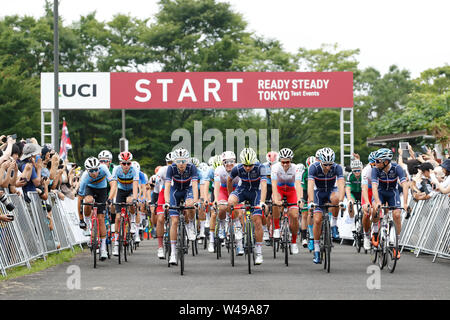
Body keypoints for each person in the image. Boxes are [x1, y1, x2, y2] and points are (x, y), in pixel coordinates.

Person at [227, 148, 267, 265]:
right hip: (242, 190)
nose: (248, 168)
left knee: (257, 221)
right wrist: (231, 194)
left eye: (250, 165)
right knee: (230, 203)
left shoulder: (261, 168)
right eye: (245, 165)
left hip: (256, 192)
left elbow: (264, 185)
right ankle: (237, 225)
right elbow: (230, 180)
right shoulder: (238, 168)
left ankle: (259, 252)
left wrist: (262, 202)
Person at [307, 147, 346, 264]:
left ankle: (334, 225)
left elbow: (340, 184)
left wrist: (341, 201)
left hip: (330, 190)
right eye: (325, 164)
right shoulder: (313, 167)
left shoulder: (337, 167)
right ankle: (317, 251)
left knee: (336, 198)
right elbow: (310, 185)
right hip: (318, 192)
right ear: (320, 162)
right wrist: (311, 201)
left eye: (330, 164)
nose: (328, 167)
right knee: (318, 220)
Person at [163, 148, 200, 265]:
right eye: (178, 161)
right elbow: (167, 186)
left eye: (183, 161)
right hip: (175, 191)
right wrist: (167, 202)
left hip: (187, 190)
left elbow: (194, 186)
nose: (181, 164)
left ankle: (190, 225)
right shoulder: (171, 168)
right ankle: (173, 253)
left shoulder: (192, 168)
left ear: (187, 161)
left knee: (190, 205)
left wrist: (195, 201)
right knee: (174, 221)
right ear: (175, 161)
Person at [371, 148, 409, 259]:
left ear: (386, 162)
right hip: (380, 192)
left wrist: (405, 203)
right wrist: (377, 201)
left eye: (378, 161)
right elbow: (374, 186)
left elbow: (405, 185)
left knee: (397, 215)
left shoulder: (397, 168)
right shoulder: (375, 169)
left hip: (393, 193)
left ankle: (396, 243)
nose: (376, 163)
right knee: (375, 209)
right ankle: (375, 232)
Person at [77, 157, 115, 260]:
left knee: (101, 218)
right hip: (90, 188)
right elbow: (80, 200)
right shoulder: (85, 177)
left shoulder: (103, 168)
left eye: (96, 170)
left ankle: (103, 249)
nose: (94, 173)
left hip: (102, 189)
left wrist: (110, 198)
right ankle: (88, 221)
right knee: (88, 201)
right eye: (91, 171)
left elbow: (113, 184)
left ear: (99, 168)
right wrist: (81, 220)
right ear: (87, 170)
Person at [208, 151, 242, 254]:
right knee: (222, 207)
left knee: (239, 213)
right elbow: (217, 186)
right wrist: (216, 200)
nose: (229, 164)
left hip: (236, 190)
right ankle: (222, 226)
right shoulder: (219, 170)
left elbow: (243, 185)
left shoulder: (239, 169)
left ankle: (240, 244)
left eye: (231, 161)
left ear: (235, 162)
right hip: (223, 190)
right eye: (226, 162)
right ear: (223, 163)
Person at [270, 148, 302, 254]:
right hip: (279, 189)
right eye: (283, 162)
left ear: (291, 161)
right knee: (275, 201)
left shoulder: (296, 168)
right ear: (280, 161)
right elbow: (274, 184)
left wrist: (300, 199)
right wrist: (275, 199)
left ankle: (293, 242)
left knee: (294, 215)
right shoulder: (275, 167)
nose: (284, 164)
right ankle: (277, 228)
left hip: (291, 191)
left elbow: (298, 185)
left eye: (287, 162)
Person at [110, 151, 139, 256]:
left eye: (128, 163)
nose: (126, 166)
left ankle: (132, 221)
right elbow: (114, 185)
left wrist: (135, 198)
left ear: (131, 163)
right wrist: (112, 198)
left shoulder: (134, 169)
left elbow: (135, 185)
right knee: (117, 218)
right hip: (121, 191)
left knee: (130, 201)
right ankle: (117, 244)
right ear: (120, 163)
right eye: (123, 163)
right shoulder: (116, 169)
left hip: (131, 190)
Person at [154, 152, 174, 259]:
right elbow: (156, 180)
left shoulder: (180, 169)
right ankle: (160, 247)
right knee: (160, 219)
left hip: (175, 192)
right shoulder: (163, 170)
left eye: (173, 163)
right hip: (163, 192)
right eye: (169, 163)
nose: (171, 165)